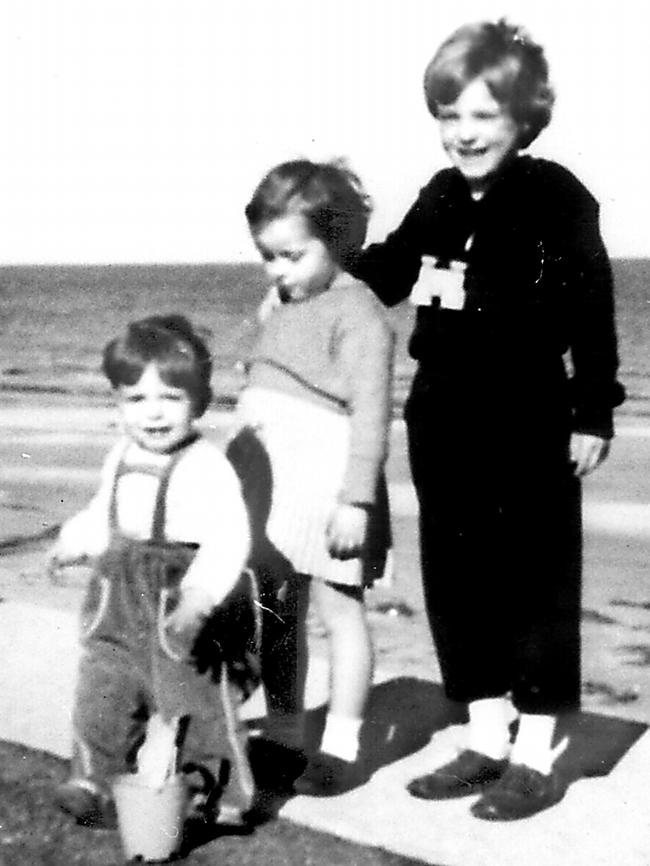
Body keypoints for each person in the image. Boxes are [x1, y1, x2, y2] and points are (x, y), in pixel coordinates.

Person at [352, 19, 625, 820]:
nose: (463, 133)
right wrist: (319, 288)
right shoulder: (438, 197)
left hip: (529, 416)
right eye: (449, 115)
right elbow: (389, 271)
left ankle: (537, 755)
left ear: (524, 118)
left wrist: (593, 410)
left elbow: (593, 311)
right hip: (442, 413)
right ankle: (485, 732)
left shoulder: (557, 196)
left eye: (481, 116)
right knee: (457, 576)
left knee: (533, 582)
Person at [47, 314, 259, 828]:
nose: (154, 414)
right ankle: (93, 779)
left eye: (171, 398)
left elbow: (230, 536)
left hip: (178, 601)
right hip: (115, 600)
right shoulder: (120, 455)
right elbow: (105, 512)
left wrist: (201, 594)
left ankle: (212, 796)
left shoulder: (206, 466)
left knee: (194, 703)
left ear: (200, 401)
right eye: (136, 399)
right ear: (118, 402)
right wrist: (72, 542)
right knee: (103, 692)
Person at [228, 159, 394, 796]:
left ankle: (344, 748)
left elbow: (372, 417)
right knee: (277, 610)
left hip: (329, 488)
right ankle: (283, 734)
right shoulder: (284, 301)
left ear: (339, 239)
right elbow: (263, 366)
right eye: (267, 257)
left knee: (340, 612)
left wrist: (356, 500)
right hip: (272, 483)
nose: (277, 271)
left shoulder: (361, 315)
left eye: (291, 256)